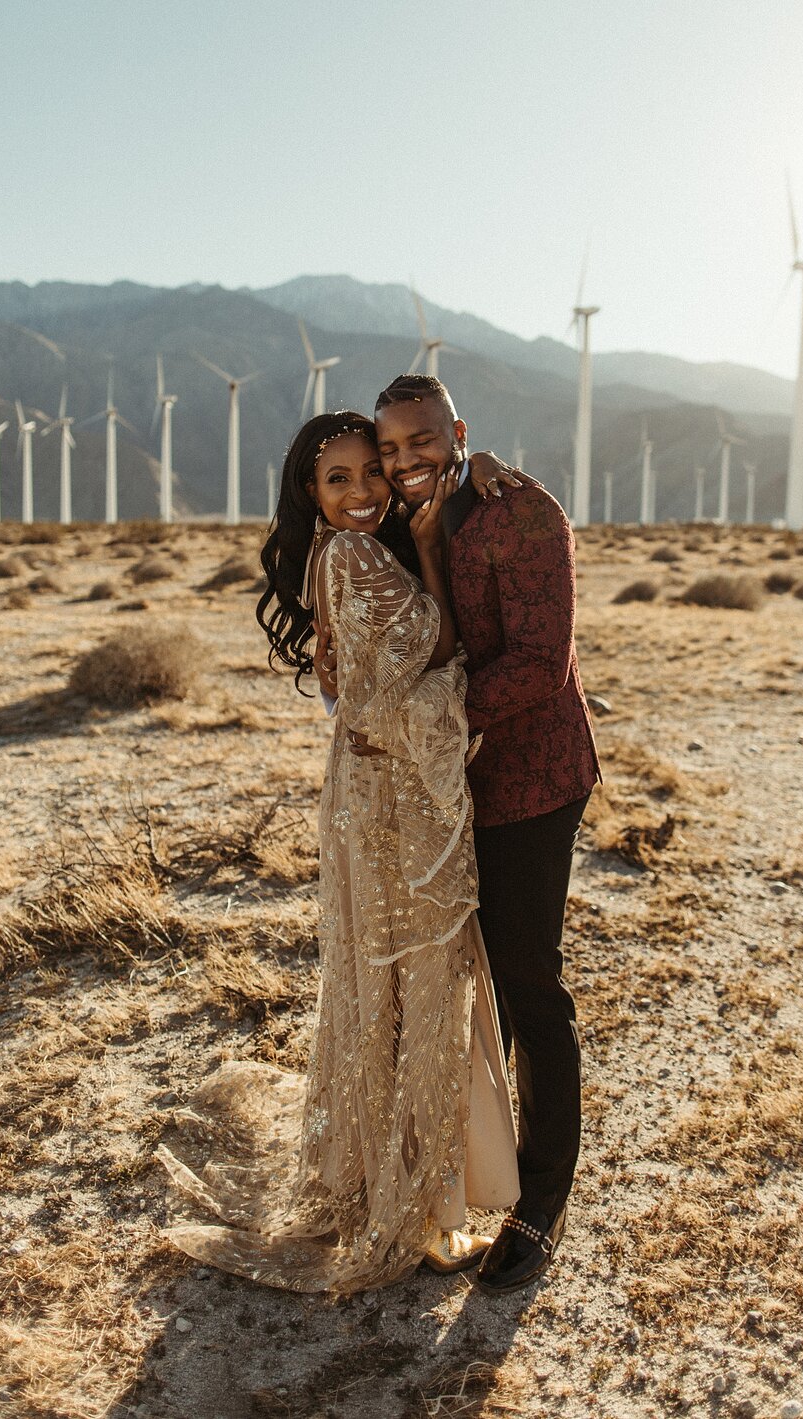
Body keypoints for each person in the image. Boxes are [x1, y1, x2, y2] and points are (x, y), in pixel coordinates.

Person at [154, 411, 520, 1294]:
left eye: (372, 473)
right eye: (339, 480)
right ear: (309, 494)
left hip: (371, 799)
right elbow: (431, 647)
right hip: (394, 809)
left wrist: (474, 473)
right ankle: (423, 1212)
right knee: (420, 982)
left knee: (384, 983)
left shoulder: (341, 553)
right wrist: (434, 558)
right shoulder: (355, 556)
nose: (362, 492)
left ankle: (382, 1179)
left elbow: (366, 680)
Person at [328, 374, 602, 1294]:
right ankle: (466, 1175)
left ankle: (541, 1202)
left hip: (530, 781)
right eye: (390, 449)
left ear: (459, 432)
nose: (404, 463)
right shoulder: (401, 528)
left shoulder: (521, 513)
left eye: (422, 442)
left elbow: (541, 659)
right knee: (463, 985)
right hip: (444, 797)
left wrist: (429, 723)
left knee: (529, 984)